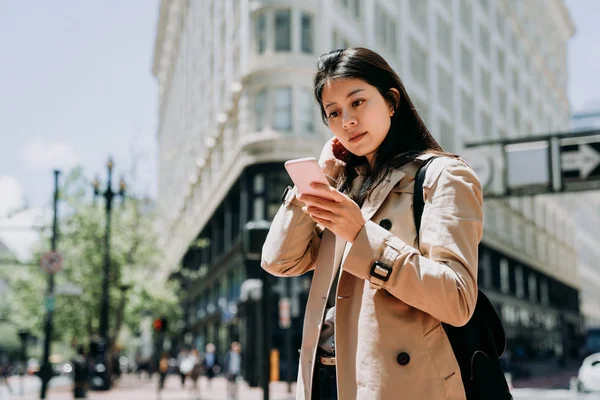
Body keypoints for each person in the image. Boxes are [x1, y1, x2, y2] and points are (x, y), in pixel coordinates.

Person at [261, 47, 483, 400]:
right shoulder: (347, 184)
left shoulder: (444, 176)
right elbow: (279, 260)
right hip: (324, 379)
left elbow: (456, 299)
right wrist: (321, 178)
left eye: (358, 102)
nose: (347, 120)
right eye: (333, 112)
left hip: (394, 384)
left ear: (391, 100)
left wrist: (362, 236)